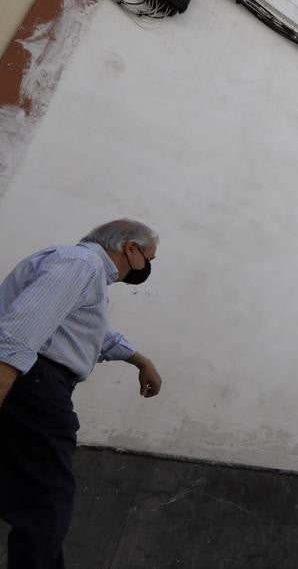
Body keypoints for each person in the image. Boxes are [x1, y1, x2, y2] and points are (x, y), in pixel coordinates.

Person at [0, 219, 164, 569]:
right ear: (130, 249)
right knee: (47, 501)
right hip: (36, 387)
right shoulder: (81, 266)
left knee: (32, 497)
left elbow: (90, 333)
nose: (148, 266)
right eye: (150, 257)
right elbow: (18, 333)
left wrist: (140, 360)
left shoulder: (77, 268)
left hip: (31, 385)